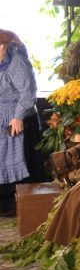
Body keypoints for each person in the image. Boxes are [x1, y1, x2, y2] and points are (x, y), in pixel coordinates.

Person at [0, 30, 37, 216]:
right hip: (2, 115)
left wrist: (18, 117)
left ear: (3, 46)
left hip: (18, 118)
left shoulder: (16, 62)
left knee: (19, 161)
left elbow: (28, 92)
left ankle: (20, 205)